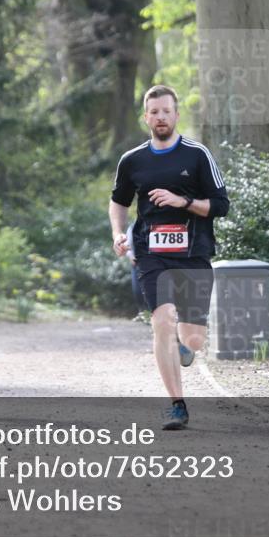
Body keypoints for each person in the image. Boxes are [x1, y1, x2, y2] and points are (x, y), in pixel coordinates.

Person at [109, 85, 229, 430]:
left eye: (166, 111)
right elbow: (119, 201)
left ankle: (184, 345)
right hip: (151, 254)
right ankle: (177, 404)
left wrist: (183, 202)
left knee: (192, 339)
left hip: (193, 254)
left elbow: (221, 205)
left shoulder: (197, 155)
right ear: (146, 117)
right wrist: (119, 233)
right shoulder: (132, 160)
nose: (160, 117)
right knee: (161, 322)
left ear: (176, 115)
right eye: (154, 112)